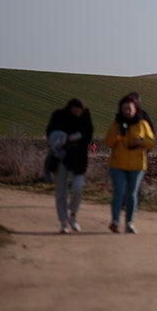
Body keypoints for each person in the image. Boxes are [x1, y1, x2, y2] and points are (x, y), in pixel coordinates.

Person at [104, 94, 155, 234]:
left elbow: (151, 142)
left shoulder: (142, 124)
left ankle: (129, 223)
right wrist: (117, 134)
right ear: (120, 109)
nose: (127, 111)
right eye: (124, 108)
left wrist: (141, 141)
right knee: (119, 192)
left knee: (132, 194)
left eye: (129, 109)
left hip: (137, 165)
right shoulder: (116, 124)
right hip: (118, 164)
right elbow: (108, 142)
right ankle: (115, 221)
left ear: (135, 109)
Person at [45, 99, 93, 233]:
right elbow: (50, 134)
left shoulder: (85, 119)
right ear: (70, 108)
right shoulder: (59, 116)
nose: (77, 113)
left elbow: (88, 137)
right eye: (75, 110)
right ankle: (63, 223)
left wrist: (77, 139)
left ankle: (73, 215)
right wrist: (63, 138)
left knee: (78, 189)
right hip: (60, 157)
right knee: (61, 192)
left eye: (80, 111)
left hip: (78, 159)